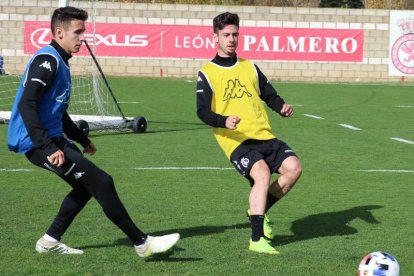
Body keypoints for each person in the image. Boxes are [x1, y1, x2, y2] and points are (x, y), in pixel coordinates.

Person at [7, 6, 179, 257]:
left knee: (86, 187)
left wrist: (81, 139)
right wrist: (47, 147)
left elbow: (57, 110)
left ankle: (49, 241)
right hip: (35, 142)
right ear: (59, 32)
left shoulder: (61, 63)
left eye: (83, 31)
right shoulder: (48, 60)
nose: (82, 37)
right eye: (77, 32)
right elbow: (27, 103)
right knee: (101, 182)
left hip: (51, 138)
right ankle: (142, 243)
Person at [196, 12, 302, 254]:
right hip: (234, 139)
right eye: (226, 35)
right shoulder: (207, 72)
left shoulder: (250, 67)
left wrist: (281, 107)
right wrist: (223, 120)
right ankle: (256, 240)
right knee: (262, 173)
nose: (231, 39)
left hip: (263, 133)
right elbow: (201, 111)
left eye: (235, 34)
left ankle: (258, 209)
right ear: (215, 38)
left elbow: (269, 95)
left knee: (294, 168)